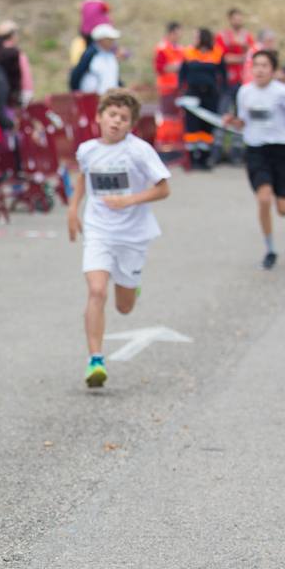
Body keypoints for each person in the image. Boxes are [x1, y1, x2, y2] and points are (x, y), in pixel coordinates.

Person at [66, 90, 171, 389]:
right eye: (112, 115)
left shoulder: (138, 151)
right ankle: (95, 360)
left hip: (133, 235)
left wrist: (130, 200)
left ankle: (131, 288)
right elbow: (84, 177)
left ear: (131, 125)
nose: (116, 122)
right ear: (99, 117)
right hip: (99, 230)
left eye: (123, 119)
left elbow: (164, 189)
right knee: (97, 291)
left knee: (124, 307)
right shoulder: (87, 150)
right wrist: (73, 208)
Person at [226, 50, 285, 270]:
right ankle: (270, 249)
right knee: (263, 199)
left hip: (282, 151)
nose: (259, 70)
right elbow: (243, 121)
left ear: (274, 70)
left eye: (264, 66)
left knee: (284, 209)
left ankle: (283, 199)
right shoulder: (245, 92)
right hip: (256, 150)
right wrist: (232, 121)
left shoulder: (284, 93)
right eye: (256, 65)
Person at [178, 28, 225, 169]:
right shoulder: (189, 52)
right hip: (193, 94)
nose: (194, 39)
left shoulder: (217, 52)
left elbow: (223, 73)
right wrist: (180, 89)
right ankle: (192, 159)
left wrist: (222, 90)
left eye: (197, 37)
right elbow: (182, 73)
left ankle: (204, 159)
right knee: (192, 126)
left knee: (207, 127)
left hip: (210, 95)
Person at [71, 24, 122, 94]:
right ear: (101, 39)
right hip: (92, 97)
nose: (112, 42)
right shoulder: (90, 54)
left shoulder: (111, 55)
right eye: (109, 39)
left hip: (110, 97)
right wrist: (76, 92)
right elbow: (77, 73)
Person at [153, 22, 184, 97]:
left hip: (179, 88)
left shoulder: (181, 48)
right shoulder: (162, 48)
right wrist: (177, 67)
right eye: (177, 33)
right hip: (166, 88)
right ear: (171, 33)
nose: (180, 36)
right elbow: (159, 68)